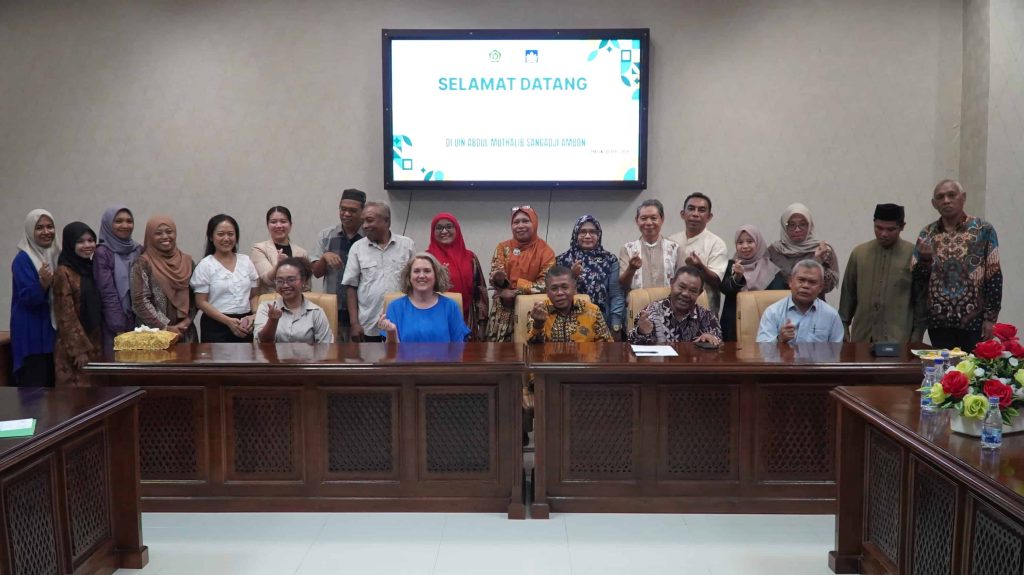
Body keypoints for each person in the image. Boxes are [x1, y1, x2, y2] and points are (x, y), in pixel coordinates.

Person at [912, 179, 1002, 350]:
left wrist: (990, 318)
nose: (946, 200)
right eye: (940, 197)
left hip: (975, 321)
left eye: (951, 195)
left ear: (963, 197)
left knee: (973, 366)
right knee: (943, 366)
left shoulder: (983, 230)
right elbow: (917, 280)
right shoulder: (927, 234)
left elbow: (994, 275)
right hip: (939, 322)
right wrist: (925, 261)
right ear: (934, 204)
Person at [839, 204, 923, 343]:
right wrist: (843, 325)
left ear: (902, 227)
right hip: (862, 337)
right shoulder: (859, 254)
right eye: (879, 228)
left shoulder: (913, 255)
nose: (884, 234)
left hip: (898, 338)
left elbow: (920, 299)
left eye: (891, 229)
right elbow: (848, 293)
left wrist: (917, 335)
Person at [341, 201, 416, 342]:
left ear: (387, 221)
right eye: (363, 221)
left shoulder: (407, 245)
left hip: (402, 321)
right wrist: (354, 323)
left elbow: (415, 284)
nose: (364, 226)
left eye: (369, 220)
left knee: (402, 356)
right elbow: (351, 287)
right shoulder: (357, 248)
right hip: (369, 324)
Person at [486, 206, 556, 342]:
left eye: (525, 221)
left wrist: (515, 291)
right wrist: (498, 279)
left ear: (534, 223)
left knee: (528, 350)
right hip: (502, 310)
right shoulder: (503, 247)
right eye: (516, 222)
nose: (520, 226)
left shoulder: (546, 251)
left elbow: (546, 284)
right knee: (498, 352)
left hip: (531, 311)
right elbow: (496, 273)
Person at [191, 214, 259, 343]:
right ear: (211, 237)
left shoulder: (246, 261)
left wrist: (254, 315)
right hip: (215, 326)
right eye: (221, 234)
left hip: (245, 325)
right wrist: (228, 321)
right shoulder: (205, 265)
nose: (226, 238)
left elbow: (254, 295)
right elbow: (201, 302)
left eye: (231, 234)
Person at [10, 209, 59, 387]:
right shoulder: (23, 259)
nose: (46, 232)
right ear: (30, 231)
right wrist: (42, 284)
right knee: (35, 388)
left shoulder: (56, 254)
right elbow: (27, 299)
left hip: (51, 332)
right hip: (31, 331)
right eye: (39, 228)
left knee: (53, 389)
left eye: (50, 226)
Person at [378, 252, 469, 343]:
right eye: (416, 271)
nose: (421, 276)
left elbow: (458, 347)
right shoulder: (395, 307)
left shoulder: (450, 306)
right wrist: (392, 332)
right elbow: (392, 351)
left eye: (427, 271)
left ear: (436, 275)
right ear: (409, 276)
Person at [52, 222, 103, 386]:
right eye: (80, 241)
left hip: (95, 342)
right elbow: (65, 314)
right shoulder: (63, 272)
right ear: (70, 244)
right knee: (76, 396)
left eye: (91, 240)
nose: (87, 245)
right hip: (73, 349)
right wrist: (79, 350)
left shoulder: (92, 268)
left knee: (98, 395)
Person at [312, 189, 366, 341]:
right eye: (343, 209)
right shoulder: (326, 235)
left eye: (352, 210)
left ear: (362, 212)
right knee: (333, 351)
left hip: (363, 309)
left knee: (362, 352)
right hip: (333, 307)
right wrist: (324, 258)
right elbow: (316, 273)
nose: (346, 214)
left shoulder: (369, 237)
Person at [131, 216, 196, 340]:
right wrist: (166, 327)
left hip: (185, 332)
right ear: (150, 236)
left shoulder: (187, 262)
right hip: (154, 334)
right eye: (158, 233)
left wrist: (186, 322)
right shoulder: (142, 263)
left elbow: (196, 297)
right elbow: (139, 301)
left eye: (169, 231)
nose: (165, 236)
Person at [557, 215, 624, 336]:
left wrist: (616, 325)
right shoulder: (562, 260)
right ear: (575, 234)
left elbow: (616, 295)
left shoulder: (610, 260)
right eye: (582, 232)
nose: (588, 236)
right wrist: (572, 276)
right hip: (570, 323)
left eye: (592, 232)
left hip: (603, 323)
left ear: (599, 235)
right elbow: (558, 295)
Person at [426, 212, 489, 340]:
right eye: (439, 228)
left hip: (467, 320)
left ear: (457, 230)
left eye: (449, 226)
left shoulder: (470, 257)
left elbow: (480, 291)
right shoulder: (427, 259)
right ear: (433, 232)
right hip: (434, 320)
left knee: (466, 353)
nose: (444, 231)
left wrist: (482, 326)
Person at [719, 225, 787, 342]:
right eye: (740, 242)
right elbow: (725, 289)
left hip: (763, 324)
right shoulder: (732, 265)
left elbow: (778, 299)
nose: (745, 246)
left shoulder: (770, 268)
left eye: (750, 241)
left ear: (758, 243)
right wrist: (737, 277)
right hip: (733, 325)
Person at [627, 265, 722, 345]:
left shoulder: (707, 317)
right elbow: (630, 344)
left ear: (699, 293)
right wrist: (641, 332)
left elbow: (719, 342)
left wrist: (711, 339)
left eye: (693, 291)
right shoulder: (650, 311)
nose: (685, 294)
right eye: (681, 287)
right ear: (671, 283)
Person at [93, 205, 143, 356]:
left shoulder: (138, 249)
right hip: (114, 324)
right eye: (119, 221)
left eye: (129, 221)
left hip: (139, 322)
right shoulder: (102, 252)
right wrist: (118, 327)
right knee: (118, 363)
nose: (125, 225)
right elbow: (107, 292)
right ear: (108, 224)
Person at [667, 193, 728, 313]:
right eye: (691, 208)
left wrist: (699, 267)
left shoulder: (717, 243)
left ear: (709, 217)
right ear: (682, 214)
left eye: (701, 210)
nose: (695, 214)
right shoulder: (671, 241)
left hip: (704, 309)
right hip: (673, 307)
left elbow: (716, 281)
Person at [756, 259, 844, 343]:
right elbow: (762, 349)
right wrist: (779, 339)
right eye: (801, 280)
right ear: (790, 282)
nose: (806, 286)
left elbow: (837, 350)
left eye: (812, 282)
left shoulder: (831, 315)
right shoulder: (773, 312)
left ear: (820, 287)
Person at [253, 257, 333, 344]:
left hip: (307, 353)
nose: (285, 285)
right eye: (280, 281)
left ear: (303, 281)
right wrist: (272, 321)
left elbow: (327, 347)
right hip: (272, 353)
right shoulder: (266, 307)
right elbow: (261, 343)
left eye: (291, 280)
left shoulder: (316, 312)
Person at [768, 203, 840, 298]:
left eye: (802, 224)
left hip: (814, 304)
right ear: (784, 226)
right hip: (781, 304)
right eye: (792, 225)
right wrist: (815, 261)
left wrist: (820, 259)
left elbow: (828, 287)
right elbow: (776, 282)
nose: (797, 229)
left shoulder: (822, 249)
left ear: (810, 225)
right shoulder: (774, 250)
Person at [527, 266, 614, 343]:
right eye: (554, 288)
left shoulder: (592, 311)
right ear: (547, 292)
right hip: (549, 357)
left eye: (565, 287)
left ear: (575, 289)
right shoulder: (538, 313)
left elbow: (607, 347)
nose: (560, 293)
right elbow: (532, 350)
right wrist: (538, 324)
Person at [618, 199, 681, 291]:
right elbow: (623, 285)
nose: (648, 223)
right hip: (638, 299)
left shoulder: (675, 248)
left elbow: (683, 282)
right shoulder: (627, 249)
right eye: (643, 218)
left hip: (667, 299)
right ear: (637, 221)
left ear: (662, 219)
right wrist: (631, 269)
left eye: (653, 218)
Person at [251, 206, 309, 295]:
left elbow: (307, 286)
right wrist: (279, 265)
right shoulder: (259, 249)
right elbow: (267, 280)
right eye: (273, 222)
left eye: (283, 221)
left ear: (290, 225)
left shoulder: (302, 252)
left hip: (298, 301)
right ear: (267, 225)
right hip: (270, 300)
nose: (278, 226)